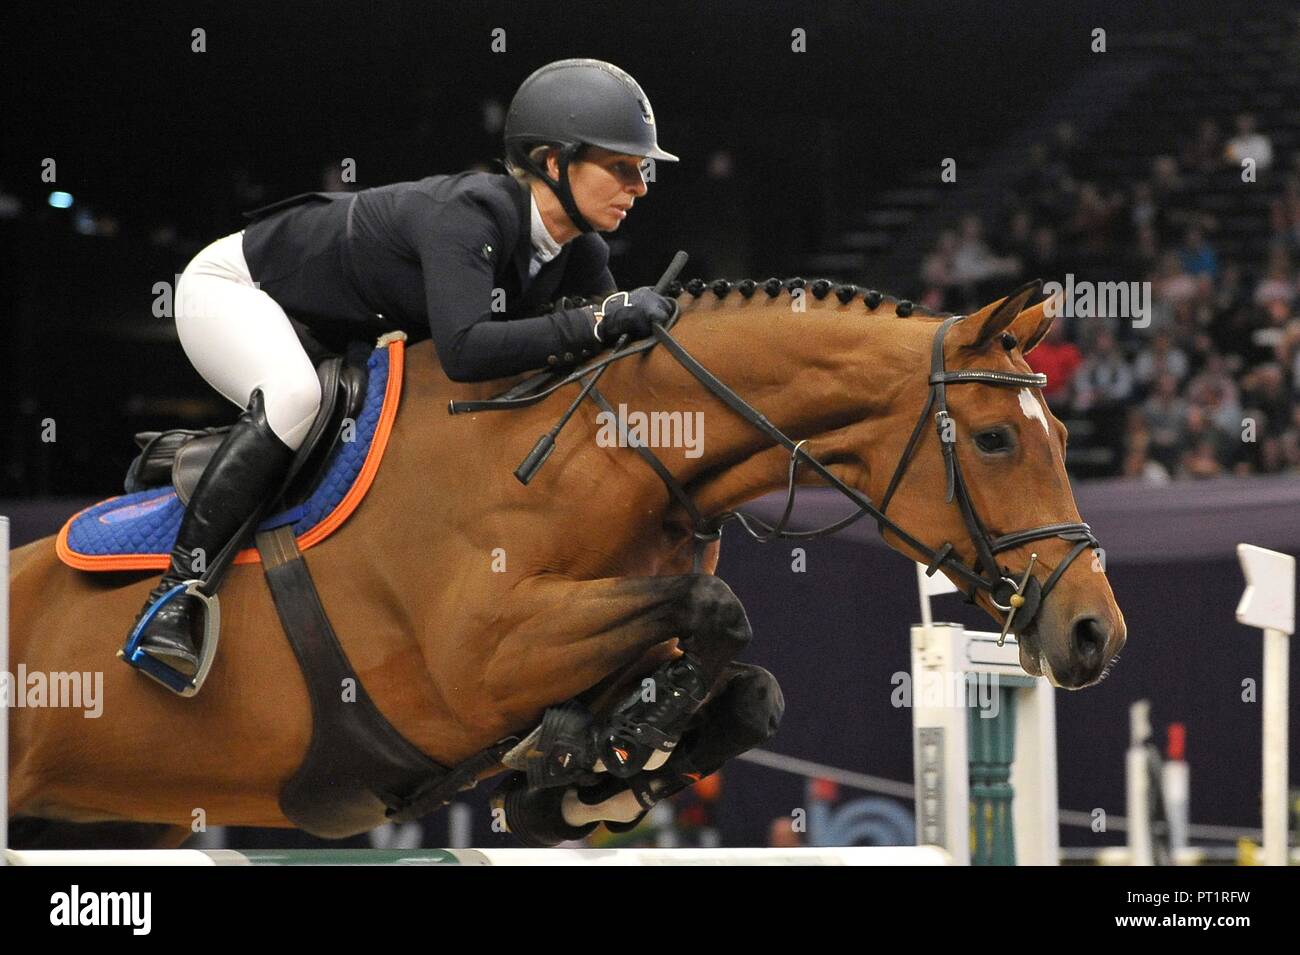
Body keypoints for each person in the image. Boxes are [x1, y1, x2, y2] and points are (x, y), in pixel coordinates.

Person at [126, 58, 679, 688]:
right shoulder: (470, 214)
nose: (638, 186)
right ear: (554, 162)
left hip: (324, 322)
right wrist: (599, 322)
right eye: (622, 167)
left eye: (643, 171)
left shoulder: (581, 250)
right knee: (296, 396)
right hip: (231, 289)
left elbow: (604, 354)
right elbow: (467, 352)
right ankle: (175, 597)